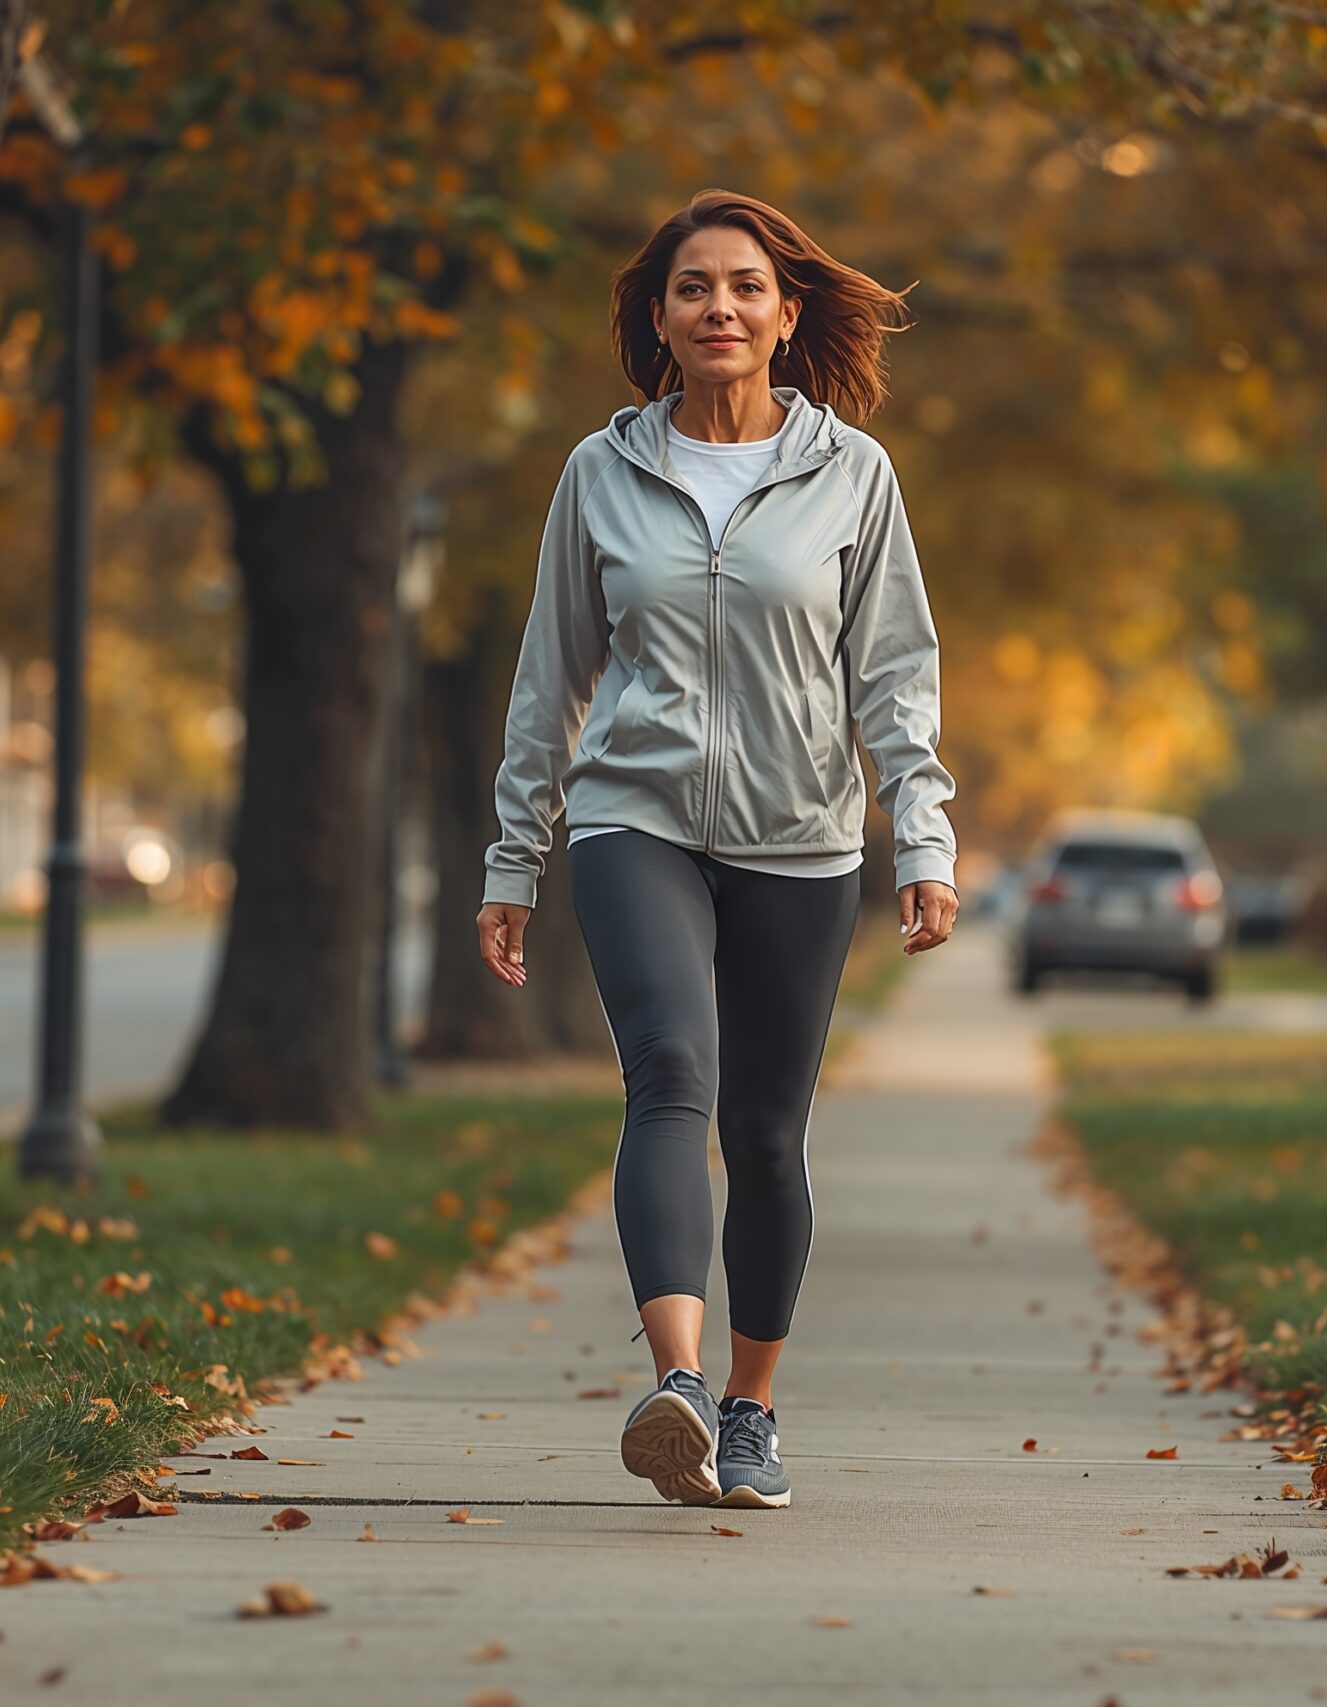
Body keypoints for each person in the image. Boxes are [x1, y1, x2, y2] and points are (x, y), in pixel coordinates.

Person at [475, 189, 960, 1510]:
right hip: (635, 821)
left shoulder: (852, 472)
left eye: (746, 286)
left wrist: (920, 834)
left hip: (801, 840)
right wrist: (514, 860)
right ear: (659, 317)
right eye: (694, 288)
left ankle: (750, 1409)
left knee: (766, 1129)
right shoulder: (602, 471)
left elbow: (895, 675)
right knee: (669, 1080)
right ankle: (678, 1385)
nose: (721, 307)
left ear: (787, 313)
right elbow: (549, 681)